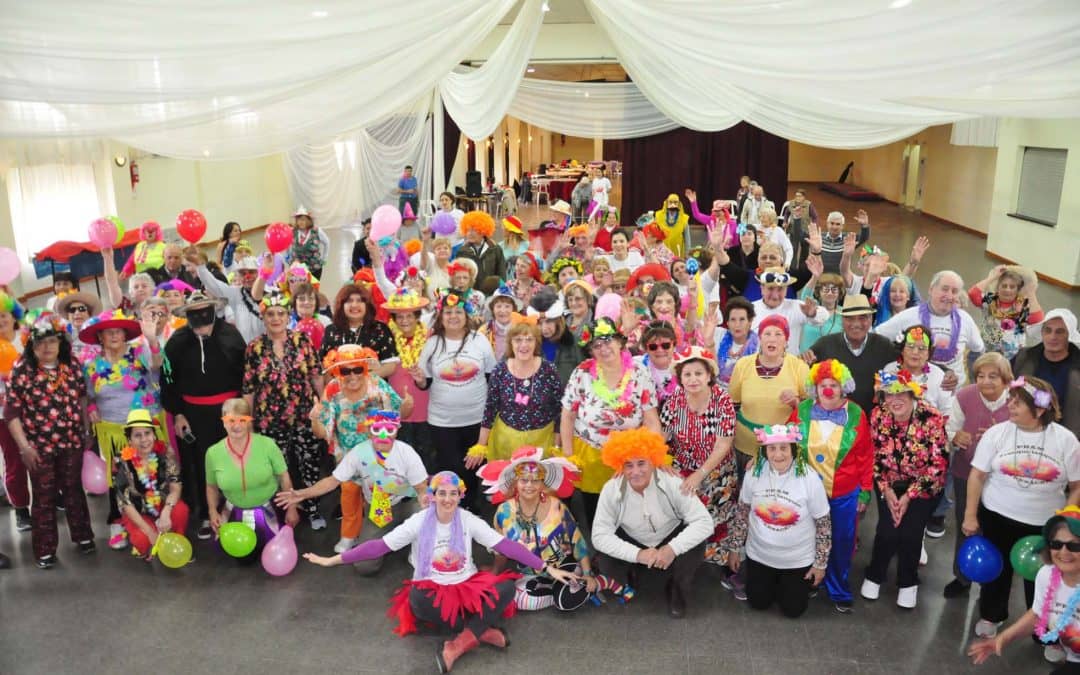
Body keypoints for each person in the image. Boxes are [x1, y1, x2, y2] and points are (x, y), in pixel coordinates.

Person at [303, 471, 554, 673]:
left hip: (467, 586)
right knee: (418, 601)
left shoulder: (468, 519)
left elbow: (505, 546)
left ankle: (458, 645)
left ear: (460, 496)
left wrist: (545, 567)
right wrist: (334, 560)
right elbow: (378, 546)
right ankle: (481, 629)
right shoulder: (419, 521)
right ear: (433, 496)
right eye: (441, 493)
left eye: (453, 494)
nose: (447, 499)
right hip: (431, 589)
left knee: (507, 587)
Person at [963, 376, 1080, 640]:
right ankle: (992, 615)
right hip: (997, 515)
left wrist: (1066, 518)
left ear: (1039, 409)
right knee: (997, 571)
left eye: (1018, 403)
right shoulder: (997, 433)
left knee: (1044, 578)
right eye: (1011, 401)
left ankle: (1045, 629)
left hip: (1044, 523)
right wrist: (970, 514)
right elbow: (977, 475)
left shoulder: (1066, 440)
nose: (1010, 406)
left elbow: (1077, 485)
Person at [277, 411, 428, 573]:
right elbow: (332, 481)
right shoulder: (359, 453)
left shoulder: (406, 453)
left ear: (397, 430)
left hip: (406, 505)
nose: (383, 435)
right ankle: (390, 535)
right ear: (369, 430)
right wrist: (302, 494)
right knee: (365, 566)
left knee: (425, 514)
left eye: (389, 430)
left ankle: (418, 549)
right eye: (377, 429)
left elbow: (421, 488)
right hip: (378, 510)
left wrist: (426, 506)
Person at [482, 446, 624, 610]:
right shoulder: (503, 512)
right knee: (522, 601)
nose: (529, 485)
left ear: (543, 484)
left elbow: (577, 540)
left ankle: (592, 583)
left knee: (560, 602)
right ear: (515, 483)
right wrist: (495, 571)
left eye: (535, 480)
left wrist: (587, 574)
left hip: (564, 565)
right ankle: (564, 591)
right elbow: (501, 549)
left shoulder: (557, 507)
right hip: (531, 572)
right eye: (524, 480)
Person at [5, 311, 95, 568]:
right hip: (39, 447)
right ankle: (45, 550)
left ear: (61, 343)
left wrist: (86, 431)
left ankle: (83, 536)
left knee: (73, 490)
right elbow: (11, 413)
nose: (47, 347)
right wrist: (24, 447)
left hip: (72, 442)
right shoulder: (21, 370)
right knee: (44, 497)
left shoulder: (72, 365)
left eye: (52, 341)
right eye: (41, 342)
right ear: (31, 344)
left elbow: (81, 399)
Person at [591, 428, 713, 618]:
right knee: (605, 559)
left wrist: (672, 548)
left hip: (670, 533)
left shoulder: (672, 481)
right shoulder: (611, 489)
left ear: (654, 461)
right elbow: (599, 535)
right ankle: (629, 573)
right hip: (632, 538)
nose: (636, 472)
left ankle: (677, 587)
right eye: (628, 465)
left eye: (642, 463)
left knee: (697, 545)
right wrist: (637, 554)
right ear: (619, 466)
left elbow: (704, 522)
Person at [789, 359, 873, 613]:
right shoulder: (802, 409)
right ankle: (811, 579)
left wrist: (865, 491)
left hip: (843, 493)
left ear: (843, 387)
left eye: (834, 385)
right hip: (807, 492)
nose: (828, 390)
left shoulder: (856, 414)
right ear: (815, 387)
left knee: (841, 540)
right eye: (823, 385)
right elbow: (787, 442)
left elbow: (866, 455)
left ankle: (837, 587)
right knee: (807, 538)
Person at [861, 368, 949, 609]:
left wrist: (909, 496)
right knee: (887, 531)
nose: (894, 400)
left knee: (910, 533)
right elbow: (874, 457)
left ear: (913, 394)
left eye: (902, 394)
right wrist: (887, 491)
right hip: (888, 482)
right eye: (889, 394)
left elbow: (939, 464)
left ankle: (908, 582)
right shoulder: (878, 415)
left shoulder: (932, 417)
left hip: (923, 485)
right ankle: (874, 574)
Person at [162, 291, 246, 540]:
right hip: (193, 415)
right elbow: (167, 379)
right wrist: (177, 413)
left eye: (204, 309)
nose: (200, 315)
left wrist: (243, 410)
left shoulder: (230, 335)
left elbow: (246, 374)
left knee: (235, 460)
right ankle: (207, 514)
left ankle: (238, 509)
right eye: (194, 311)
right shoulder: (176, 341)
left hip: (230, 411)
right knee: (201, 465)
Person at [560, 318, 661, 525]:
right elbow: (568, 416)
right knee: (596, 510)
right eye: (596, 345)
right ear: (590, 350)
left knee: (631, 509)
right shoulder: (582, 373)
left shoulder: (639, 373)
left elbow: (651, 420)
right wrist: (569, 456)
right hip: (591, 454)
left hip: (630, 457)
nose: (603, 348)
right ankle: (601, 549)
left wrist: (652, 456)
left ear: (620, 343)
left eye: (608, 341)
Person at [78, 308, 164, 549]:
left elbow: (157, 364)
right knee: (118, 477)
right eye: (108, 332)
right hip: (113, 430)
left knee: (150, 473)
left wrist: (152, 339)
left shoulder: (139, 353)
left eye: (118, 331)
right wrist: (92, 407)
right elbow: (88, 394)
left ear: (125, 335)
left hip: (144, 426)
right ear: (100, 338)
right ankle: (119, 521)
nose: (114, 335)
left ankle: (155, 518)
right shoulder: (92, 365)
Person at [241, 288, 326, 530]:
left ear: (288, 315)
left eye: (280, 313)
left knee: (309, 463)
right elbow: (249, 388)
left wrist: (324, 405)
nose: (276, 318)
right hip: (270, 420)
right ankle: (283, 510)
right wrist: (248, 421)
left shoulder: (302, 341)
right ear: (263, 317)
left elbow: (316, 376)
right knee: (277, 468)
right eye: (270, 314)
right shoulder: (254, 348)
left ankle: (312, 508)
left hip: (304, 417)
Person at [729, 424, 831, 618]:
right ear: (764, 451)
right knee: (758, 603)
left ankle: (788, 585)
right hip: (760, 555)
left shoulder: (810, 479)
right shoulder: (754, 473)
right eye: (772, 448)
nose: (778, 455)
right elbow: (742, 513)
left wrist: (820, 564)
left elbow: (823, 524)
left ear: (793, 449)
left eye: (784, 448)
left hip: (796, 559)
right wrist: (735, 549)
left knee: (793, 611)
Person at [312, 344, 403, 551]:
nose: (352, 375)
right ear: (337, 371)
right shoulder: (333, 388)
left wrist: (407, 405)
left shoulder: (377, 384)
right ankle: (349, 535)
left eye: (357, 369)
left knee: (381, 492)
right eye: (345, 370)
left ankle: (383, 534)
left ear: (365, 367)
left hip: (378, 454)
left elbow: (398, 412)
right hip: (347, 456)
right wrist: (315, 420)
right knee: (349, 495)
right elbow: (321, 431)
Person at [969, 506, 1080, 669]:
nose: (1064, 552)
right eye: (1056, 544)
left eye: (1074, 546)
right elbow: (1038, 614)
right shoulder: (1047, 575)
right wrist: (1003, 638)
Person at [412, 288, 496, 503]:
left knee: (473, 467)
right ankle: (452, 507)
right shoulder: (432, 343)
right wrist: (420, 379)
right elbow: (425, 382)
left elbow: (491, 377)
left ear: (466, 315)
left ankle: (470, 507)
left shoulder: (480, 340)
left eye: (458, 312)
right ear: (440, 316)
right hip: (442, 421)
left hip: (476, 418)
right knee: (450, 468)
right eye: (448, 312)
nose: (453, 317)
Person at [660, 347, 739, 575]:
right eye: (687, 374)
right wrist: (659, 457)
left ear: (708, 376)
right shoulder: (674, 399)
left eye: (698, 373)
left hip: (716, 469)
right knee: (682, 516)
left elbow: (723, 444)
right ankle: (683, 559)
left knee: (718, 516)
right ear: (680, 378)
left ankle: (716, 561)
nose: (693, 379)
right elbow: (662, 435)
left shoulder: (722, 400)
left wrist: (699, 474)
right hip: (682, 466)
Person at [942, 352, 1013, 598]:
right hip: (966, 472)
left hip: (1004, 480)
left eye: (993, 376)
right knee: (967, 523)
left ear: (1006, 380)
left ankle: (992, 580)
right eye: (980, 375)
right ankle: (962, 576)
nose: (985, 381)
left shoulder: (1017, 399)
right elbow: (950, 428)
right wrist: (955, 437)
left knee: (996, 527)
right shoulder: (964, 396)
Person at [205, 398, 300, 549]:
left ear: (249, 421)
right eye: (231, 420)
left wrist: (292, 507)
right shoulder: (212, 453)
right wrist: (212, 512)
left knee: (272, 550)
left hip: (269, 509)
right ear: (223, 421)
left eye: (242, 420)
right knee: (244, 558)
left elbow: (284, 477)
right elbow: (211, 487)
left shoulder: (268, 445)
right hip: (234, 511)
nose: (236, 426)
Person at [469, 317, 561, 467]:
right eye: (518, 340)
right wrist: (480, 445)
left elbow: (559, 411)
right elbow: (490, 409)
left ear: (536, 343)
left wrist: (556, 447)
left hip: (542, 443)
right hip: (505, 442)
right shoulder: (500, 370)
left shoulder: (549, 370)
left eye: (529, 340)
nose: (523, 345)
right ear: (510, 343)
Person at [728, 315, 809, 471]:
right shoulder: (743, 364)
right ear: (760, 338)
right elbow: (733, 404)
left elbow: (809, 412)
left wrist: (795, 402)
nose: (772, 339)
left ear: (786, 342)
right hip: (745, 447)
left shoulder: (799, 367)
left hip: (783, 451)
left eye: (778, 334)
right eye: (767, 334)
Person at [876, 270, 984, 386]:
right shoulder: (909, 316)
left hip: (952, 393)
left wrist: (974, 383)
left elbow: (978, 351)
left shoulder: (965, 319)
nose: (949, 295)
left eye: (954, 291)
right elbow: (876, 337)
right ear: (931, 289)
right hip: (915, 391)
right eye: (945, 289)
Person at [806, 294, 899, 415]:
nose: (856, 324)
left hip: (874, 421)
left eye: (862, 318)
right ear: (842, 320)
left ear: (871, 319)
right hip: (833, 423)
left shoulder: (884, 346)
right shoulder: (824, 345)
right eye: (850, 318)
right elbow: (807, 375)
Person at [114, 409, 187, 559]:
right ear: (129, 440)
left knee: (180, 510)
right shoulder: (122, 462)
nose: (144, 440)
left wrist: (167, 511)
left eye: (147, 433)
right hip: (138, 510)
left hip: (161, 504)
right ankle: (145, 546)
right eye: (137, 435)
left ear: (154, 434)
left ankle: (176, 542)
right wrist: (149, 532)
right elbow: (125, 503)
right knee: (142, 539)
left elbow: (175, 486)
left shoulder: (165, 453)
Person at [382, 289, 433, 468]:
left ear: (417, 316)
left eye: (409, 316)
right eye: (400, 317)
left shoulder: (429, 337)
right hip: (397, 409)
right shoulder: (387, 339)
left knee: (426, 455)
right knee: (401, 455)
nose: (404, 321)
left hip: (426, 408)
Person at [1013, 308, 1080, 433]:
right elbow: (1008, 390)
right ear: (1042, 333)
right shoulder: (1023, 357)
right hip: (1025, 431)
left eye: (1060, 332)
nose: (1052, 337)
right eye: (1048, 330)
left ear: (1069, 336)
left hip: (1068, 437)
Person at [320, 283, 397, 378]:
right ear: (341, 305)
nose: (354, 305)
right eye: (349, 301)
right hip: (339, 388)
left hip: (373, 387)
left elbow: (390, 365)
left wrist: (364, 381)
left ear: (367, 305)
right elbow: (324, 365)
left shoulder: (380, 329)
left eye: (360, 301)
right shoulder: (331, 330)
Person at [968, 264, 1044, 360]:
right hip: (985, 354)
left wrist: (1031, 292)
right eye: (1004, 286)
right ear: (998, 287)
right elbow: (973, 293)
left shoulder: (1022, 306)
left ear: (1017, 290)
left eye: (1012, 287)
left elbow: (1037, 320)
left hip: (1011, 359)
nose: (1007, 290)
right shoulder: (990, 300)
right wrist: (992, 277)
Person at [0, 293, 29, 532]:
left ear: (13, 317)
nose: (0, 320)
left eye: (3, 315)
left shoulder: (26, 338)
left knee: (45, 457)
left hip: (35, 410)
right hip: (4, 416)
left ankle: (53, 497)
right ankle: (21, 509)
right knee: (14, 462)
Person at [187, 254, 265, 343]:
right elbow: (214, 285)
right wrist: (201, 267)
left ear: (259, 273)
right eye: (243, 273)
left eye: (251, 272)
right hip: (245, 349)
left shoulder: (271, 294)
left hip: (268, 348)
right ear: (239, 276)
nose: (247, 277)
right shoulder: (236, 294)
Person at [752, 267, 828, 355]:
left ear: (786, 290)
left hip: (790, 366)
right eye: (770, 288)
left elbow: (824, 317)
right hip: (757, 366)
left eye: (780, 289)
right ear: (762, 288)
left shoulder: (796, 307)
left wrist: (813, 314)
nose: (775, 295)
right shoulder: (751, 309)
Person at [882, 325, 953, 416]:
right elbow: (884, 404)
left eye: (922, 348)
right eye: (910, 346)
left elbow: (947, 411)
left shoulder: (939, 376)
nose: (915, 352)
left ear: (928, 353)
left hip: (931, 428)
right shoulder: (890, 370)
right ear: (902, 350)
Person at [715, 296, 758, 387]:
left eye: (742, 319)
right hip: (718, 395)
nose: (737, 325)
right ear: (727, 323)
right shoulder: (718, 334)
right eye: (733, 320)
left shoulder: (759, 345)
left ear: (750, 322)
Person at [798, 267, 845, 352]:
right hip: (807, 360)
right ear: (818, 292)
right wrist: (815, 277)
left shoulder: (844, 313)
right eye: (826, 290)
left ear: (839, 293)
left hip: (833, 362)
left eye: (834, 290)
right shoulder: (811, 309)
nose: (830, 293)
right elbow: (806, 295)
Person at [456, 211, 506, 288]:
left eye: (474, 230)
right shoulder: (462, 252)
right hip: (471, 294)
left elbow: (501, 273)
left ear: (483, 231)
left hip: (491, 293)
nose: (470, 233)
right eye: (468, 230)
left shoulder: (495, 249)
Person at [820, 211, 870, 275]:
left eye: (838, 224)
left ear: (842, 226)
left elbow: (863, 238)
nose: (834, 227)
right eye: (832, 223)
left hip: (841, 279)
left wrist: (864, 225)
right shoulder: (818, 237)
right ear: (827, 224)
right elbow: (803, 237)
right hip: (820, 277)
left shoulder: (848, 239)